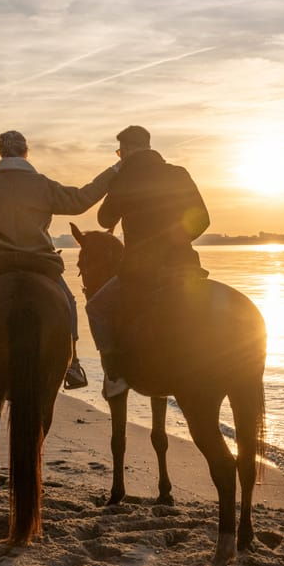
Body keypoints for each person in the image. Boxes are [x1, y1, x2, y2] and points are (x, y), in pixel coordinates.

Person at [0, 130, 119, 387]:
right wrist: (113, 171)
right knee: (68, 302)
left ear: (1, 153)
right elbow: (81, 200)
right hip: (40, 262)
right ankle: (74, 362)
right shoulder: (42, 185)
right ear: (26, 152)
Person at [85, 125, 210, 390]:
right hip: (185, 267)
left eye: (120, 152)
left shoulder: (124, 179)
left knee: (96, 308)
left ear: (127, 150)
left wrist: (116, 180)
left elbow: (104, 219)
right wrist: (175, 243)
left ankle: (115, 372)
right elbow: (203, 219)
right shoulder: (179, 173)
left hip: (139, 272)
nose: (120, 156)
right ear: (149, 145)